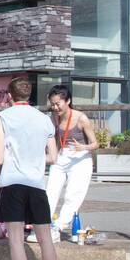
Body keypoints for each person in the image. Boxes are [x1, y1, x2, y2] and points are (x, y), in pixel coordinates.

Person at [0, 76, 64, 260]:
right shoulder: (44, 120)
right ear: (29, 96)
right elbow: (53, 157)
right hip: (36, 183)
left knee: (15, 238)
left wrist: (0, 174)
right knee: (45, 239)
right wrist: (33, 159)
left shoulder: (2, 117)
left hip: (12, 182)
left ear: (9, 96)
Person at [45, 85, 96, 245]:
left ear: (68, 101)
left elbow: (95, 143)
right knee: (50, 191)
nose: (55, 107)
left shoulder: (81, 118)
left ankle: (58, 227)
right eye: (52, 104)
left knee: (73, 195)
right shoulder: (54, 117)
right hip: (61, 156)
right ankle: (43, 224)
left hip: (80, 158)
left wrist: (84, 147)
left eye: (58, 103)